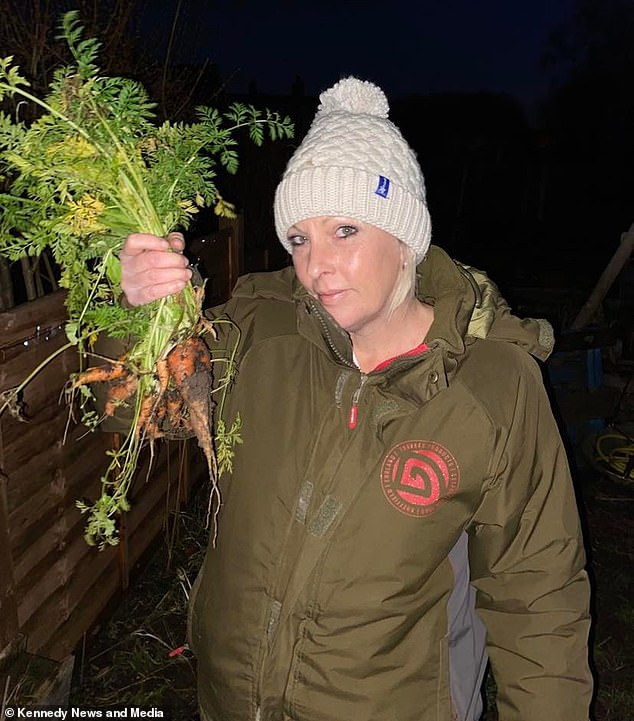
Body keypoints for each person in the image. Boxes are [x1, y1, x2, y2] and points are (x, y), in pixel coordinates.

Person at [120, 77, 592, 721]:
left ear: (405, 240)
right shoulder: (261, 332)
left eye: (344, 230)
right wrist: (139, 312)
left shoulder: (492, 388)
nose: (317, 266)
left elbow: (537, 600)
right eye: (300, 239)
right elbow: (141, 413)